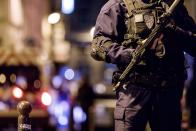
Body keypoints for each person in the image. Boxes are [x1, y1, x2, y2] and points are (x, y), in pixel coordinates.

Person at [90, 0, 196, 131]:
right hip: (133, 90)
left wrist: (174, 31)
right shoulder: (118, 5)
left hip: (168, 91)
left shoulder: (173, 7)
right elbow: (98, 45)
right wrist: (130, 54)